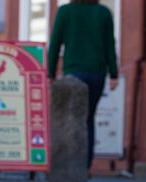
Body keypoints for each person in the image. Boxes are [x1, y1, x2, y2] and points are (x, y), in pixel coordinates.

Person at [48, 0, 118, 171]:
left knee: (70, 118)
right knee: (88, 118)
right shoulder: (103, 13)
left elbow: (55, 43)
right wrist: (114, 73)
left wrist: (50, 73)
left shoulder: (65, 12)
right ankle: (85, 166)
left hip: (73, 72)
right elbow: (110, 44)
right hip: (97, 73)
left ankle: (68, 163)